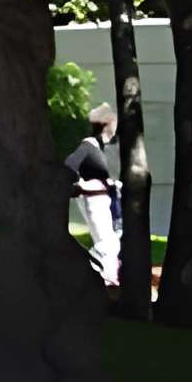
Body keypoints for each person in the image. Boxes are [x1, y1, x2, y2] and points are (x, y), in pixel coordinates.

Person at [66, 102, 121, 289]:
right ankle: (104, 280)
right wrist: (82, 186)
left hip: (101, 201)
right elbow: (69, 166)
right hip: (93, 202)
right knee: (107, 245)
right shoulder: (89, 146)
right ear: (106, 124)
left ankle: (103, 279)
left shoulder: (98, 148)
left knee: (110, 243)